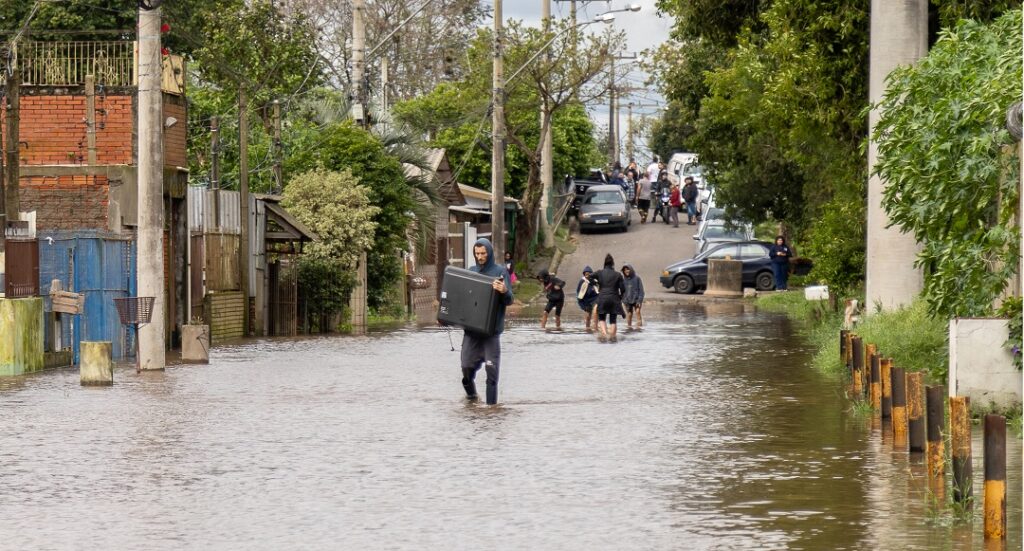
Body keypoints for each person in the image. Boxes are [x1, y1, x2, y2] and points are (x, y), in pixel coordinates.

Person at [460, 238, 514, 404]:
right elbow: (462, 299)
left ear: (489, 253)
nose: (480, 256)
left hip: (491, 333)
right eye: (477, 254)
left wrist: (504, 290)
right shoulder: (471, 271)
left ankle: (492, 409)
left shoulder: (501, 272)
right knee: (466, 368)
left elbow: (510, 299)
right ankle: (471, 397)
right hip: (472, 332)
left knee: (492, 370)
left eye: (483, 253)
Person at [589, 254, 625, 340]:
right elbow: (623, 288)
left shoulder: (599, 272)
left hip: (603, 298)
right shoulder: (618, 274)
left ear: (604, 263)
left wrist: (595, 283)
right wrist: (620, 297)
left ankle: (605, 336)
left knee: (602, 318)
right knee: (613, 320)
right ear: (613, 264)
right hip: (614, 298)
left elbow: (589, 277)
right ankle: (612, 337)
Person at [621, 264, 645, 328]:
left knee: (637, 312)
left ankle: (639, 328)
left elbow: (641, 291)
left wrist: (639, 301)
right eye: (625, 270)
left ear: (631, 269)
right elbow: (622, 292)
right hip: (627, 300)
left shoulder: (637, 278)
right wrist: (624, 300)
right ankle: (629, 327)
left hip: (636, 299)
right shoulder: (623, 280)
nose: (626, 271)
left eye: (628, 269)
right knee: (629, 314)